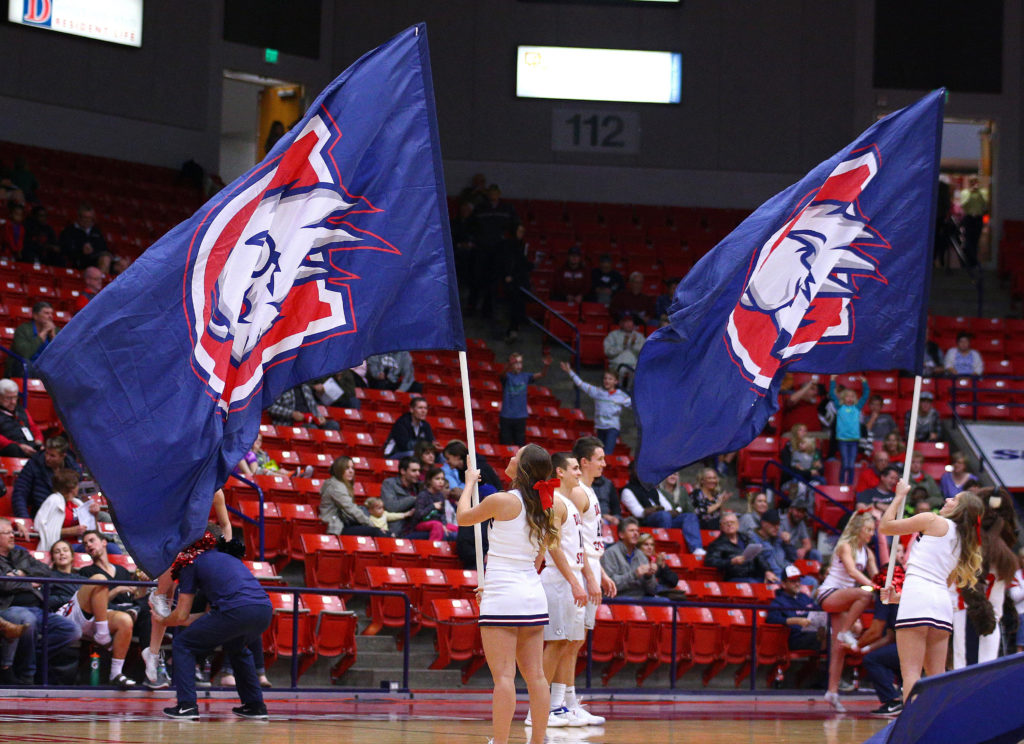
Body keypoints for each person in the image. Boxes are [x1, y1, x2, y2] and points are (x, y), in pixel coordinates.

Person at [455, 444, 556, 744]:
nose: (511, 458)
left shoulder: (501, 500)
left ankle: (500, 742)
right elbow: (538, 558)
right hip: (532, 594)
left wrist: (470, 483)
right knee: (536, 676)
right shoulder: (545, 505)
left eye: (517, 455)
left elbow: (462, 518)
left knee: (503, 677)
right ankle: (537, 741)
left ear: (522, 468)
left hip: (503, 594)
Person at [879, 480, 984, 703]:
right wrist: (899, 597)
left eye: (954, 499)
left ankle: (909, 734)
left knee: (911, 674)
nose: (947, 499)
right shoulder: (964, 541)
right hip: (942, 604)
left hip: (918, 597)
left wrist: (898, 496)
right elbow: (944, 581)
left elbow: (885, 526)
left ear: (960, 509)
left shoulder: (931, 519)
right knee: (937, 678)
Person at [161, 527, 273, 720]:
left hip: (236, 611)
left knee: (183, 644)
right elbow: (212, 617)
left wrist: (161, 620)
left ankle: (186, 705)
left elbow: (180, 615)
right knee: (237, 647)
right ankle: (255, 705)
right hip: (263, 609)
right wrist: (184, 620)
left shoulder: (191, 561)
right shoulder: (230, 559)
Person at [532, 451, 599, 728]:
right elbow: (552, 545)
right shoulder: (555, 501)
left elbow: (574, 547)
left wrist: (586, 578)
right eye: (573, 468)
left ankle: (558, 706)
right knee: (556, 642)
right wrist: (574, 581)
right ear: (559, 472)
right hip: (560, 580)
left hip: (572, 578)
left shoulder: (571, 503)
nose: (577, 472)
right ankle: (538, 709)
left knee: (567, 643)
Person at [568, 436, 615, 725]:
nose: (604, 463)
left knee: (578, 639)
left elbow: (591, 539)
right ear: (584, 462)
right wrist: (590, 576)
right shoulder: (577, 493)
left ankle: (569, 701)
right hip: (581, 569)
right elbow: (575, 542)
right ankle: (561, 701)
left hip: (593, 566)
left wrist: (603, 572)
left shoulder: (591, 490)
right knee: (570, 640)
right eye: (599, 458)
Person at [0, 518, 81, 684]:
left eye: (12, 532)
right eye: (7, 533)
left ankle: (32, 657)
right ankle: (27, 675)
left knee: (72, 631)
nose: (12, 536)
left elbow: (45, 571)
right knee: (27, 620)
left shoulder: (20, 553)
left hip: (38, 608)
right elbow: (5, 585)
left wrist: (21, 573)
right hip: (9, 609)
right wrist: (29, 581)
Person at [816, 508, 878, 712]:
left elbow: (876, 575)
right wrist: (873, 586)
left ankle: (832, 692)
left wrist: (884, 584)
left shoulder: (867, 552)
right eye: (868, 529)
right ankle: (844, 632)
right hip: (830, 593)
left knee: (839, 649)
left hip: (843, 599)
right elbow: (851, 571)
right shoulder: (845, 546)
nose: (871, 534)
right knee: (865, 594)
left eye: (873, 530)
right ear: (858, 529)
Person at [69, 531, 142, 688]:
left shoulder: (122, 570)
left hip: (127, 610)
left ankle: (123, 672)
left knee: (139, 614)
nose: (88, 545)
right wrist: (116, 591)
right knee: (122, 614)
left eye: (91, 540)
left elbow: (133, 596)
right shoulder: (86, 572)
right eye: (85, 543)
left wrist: (142, 586)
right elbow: (91, 603)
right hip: (100, 615)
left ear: (104, 542)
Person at [561, 361, 631, 455]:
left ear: (616, 381)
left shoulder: (621, 395)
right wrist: (570, 371)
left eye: (610, 379)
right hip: (599, 427)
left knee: (607, 454)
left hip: (612, 428)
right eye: (605, 378)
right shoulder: (597, 392)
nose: (607, 381)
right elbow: (581, 384)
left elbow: (635, 406)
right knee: (599, 454)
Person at [859, 583, 903, 716]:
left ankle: (892, 701)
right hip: (933, 641)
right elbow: (890, 637)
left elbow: (876, 631)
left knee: (872, 660)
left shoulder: (885, 594)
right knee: (886, 658)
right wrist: (865, 648)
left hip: (912, 645)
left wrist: (857, 646)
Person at [12, 436, 80, 521]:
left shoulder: (73, 468)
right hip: (42, 515)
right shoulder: (33, 465)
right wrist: (25, 519)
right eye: (46, 453)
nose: (47, 458)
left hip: (70, 514)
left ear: (63, 456)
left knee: (100, 516)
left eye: (52, 456)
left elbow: (79, 495)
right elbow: (20, 493)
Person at [319, 456, 386, 537]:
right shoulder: (335, 486)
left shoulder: (340, 483)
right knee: (377, 532)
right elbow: (350, 509)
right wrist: (371, 524)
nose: (351, 471)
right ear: (339, 470)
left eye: (352, 468)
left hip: (344, 522)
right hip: (335, 526)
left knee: (385, 533)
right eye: (347, 468)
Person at [704, 512, 778, 584]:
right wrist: (731, 562)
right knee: (753, 583)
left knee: (776, 583)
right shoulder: (717, 544)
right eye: (726, 523)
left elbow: (759, 557)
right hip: (734, 578)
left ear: (738, 525)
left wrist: (767, 571)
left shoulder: (746, 539)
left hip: (754, 576)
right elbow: (710, 561)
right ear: (721, 527)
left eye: (732, 522)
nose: (729, 525)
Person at [767, 565, 826, 651]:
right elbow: (771, 619)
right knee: (826, 639)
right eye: (793, 581)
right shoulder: (778, 601)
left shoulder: (804, 597)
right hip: (795, 638)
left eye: (798, 580)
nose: (797, 583)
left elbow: (818, 611)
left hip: (813, 632)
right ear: (783, 584)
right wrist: (795, 620)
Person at [34, 468, 90, 553]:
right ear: (71, 487)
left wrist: (95, 514)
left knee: (110, 547)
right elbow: (39, 527)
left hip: (79, 543)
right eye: (77, 484)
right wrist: (70, 531)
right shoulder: (53, 500)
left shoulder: (77, 503)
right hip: (61, 546)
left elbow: (91, 527)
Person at [499, 352, 550, 446]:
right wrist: (508, 365)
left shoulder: (525, 376)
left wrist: (546, 366)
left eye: (520, 363)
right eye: (515, 363)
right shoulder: (507, 377)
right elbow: (502, 375)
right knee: (505, 444)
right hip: (506, 416)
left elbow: (542, 374)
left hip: (521, 416)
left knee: (520, 444)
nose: (518, 365)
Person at [601, 517, 659, 598]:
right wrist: (634, 574)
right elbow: (609, 585)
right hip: (618, 597)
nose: (636, 534)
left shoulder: (641, 555)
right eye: (631, 531)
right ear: (621, 535)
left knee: (664, 602)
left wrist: (648, 577)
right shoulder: (610, 553)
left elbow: (652, 590)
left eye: (637, 531)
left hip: (639, 598)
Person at [829, 375, 869, 485]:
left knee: (851, 465)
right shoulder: (839, 407)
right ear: (843, 397)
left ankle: (850, 484)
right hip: (842, 439)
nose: (850, 398)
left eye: (852, 396)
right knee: (845, 463)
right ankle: (842, 482)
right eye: (847, 396)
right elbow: (832, 394)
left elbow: (866, 395)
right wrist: (832, 380)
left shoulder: (857, 408)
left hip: (854, 440)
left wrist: (864, 382)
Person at [8, 301, 59, 377]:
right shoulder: (23, 329)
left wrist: (53, 337)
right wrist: (43, 334)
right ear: (35, 316)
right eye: (46, 313)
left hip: (46, 367)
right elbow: (25, 353)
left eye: (51, 313)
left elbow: (61, 354)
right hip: (27, 366)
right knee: (25, 364)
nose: (50, 316)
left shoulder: (56, 331)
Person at [380, 456, 424, 536]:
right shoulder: (389, 484)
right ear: (403, 471)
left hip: (416, 525)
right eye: (414, 471)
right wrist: (414, 499)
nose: (418, 474)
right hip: (397, 528)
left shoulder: (419, 486)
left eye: (419, 471)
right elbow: (391, 507)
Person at [411, 467, 458, 541]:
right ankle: (433, 547)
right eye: (437, 479)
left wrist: (444, 525)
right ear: (429, 481)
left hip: (437, 523)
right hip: (421, 523)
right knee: (437, 525)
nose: (441, 482)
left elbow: (443, 515)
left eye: (442, 479)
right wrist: (432, 506)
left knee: (457, 528)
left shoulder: (440, 496)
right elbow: (418, 515)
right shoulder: (423, 495)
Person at [268, 383, 339, 431]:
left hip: (311, 420)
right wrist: (292, 414)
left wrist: (319, 417)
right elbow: (271, 408)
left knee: (333, 425)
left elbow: (314, 407)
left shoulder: (305, 387)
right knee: (312, 429)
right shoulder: (281, 388)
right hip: (290, 424)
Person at [0, 378, 42, 457]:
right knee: (13, 449)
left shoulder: (22, 410)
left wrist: (38, 441)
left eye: (15, 397)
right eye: (8, 398)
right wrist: (19, 446)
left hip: (30, 447)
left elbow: (34, 428)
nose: (13, 402)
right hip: (10, 450)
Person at [59, 203, 109, 269]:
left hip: (95, 261)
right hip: (78, 261)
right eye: (85, 217)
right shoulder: (69, 231)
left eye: (90, 218)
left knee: (120, 263)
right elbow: (64, 249)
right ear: (79, 217)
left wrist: (93, 250)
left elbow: (103, 248)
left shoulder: (96, 231)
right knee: (105, 259)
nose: (88, 220)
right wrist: (81, 250)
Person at [603, 314, 645, 389]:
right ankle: (619, 390)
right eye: (626, 321)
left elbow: (644, 353)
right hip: (617, 363)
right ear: (621, 323)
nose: (629, 324)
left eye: (630, 321)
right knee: (621, 370)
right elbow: (608, 352)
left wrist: (633, 345)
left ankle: (629, 392)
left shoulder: (639, 336)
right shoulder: (613, 335)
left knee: (635, 371)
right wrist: (623, 346)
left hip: (634, 364)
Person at [958, 175, 988, 269]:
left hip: (978, 218)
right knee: (967, 240)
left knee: (976, 240)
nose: (973, 183)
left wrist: (978, 193)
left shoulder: (983, 192)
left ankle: (973, 261)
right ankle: (967, 261)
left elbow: (985, 203)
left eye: (975, 181)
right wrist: (971, 193)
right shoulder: (965, 192)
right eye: (971, 182)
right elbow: (963, 205)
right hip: (968, 218)